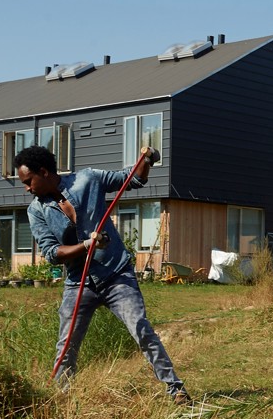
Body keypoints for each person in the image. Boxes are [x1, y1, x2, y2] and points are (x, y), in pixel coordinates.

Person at [15, 144, 191, 405]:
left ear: (43, 172)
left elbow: (133, 179)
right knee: (66, 347)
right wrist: (87, 245)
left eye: (28, 181)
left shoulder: (87, 179)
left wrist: (149, 157)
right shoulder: (36, 210)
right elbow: (52, 252)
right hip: (79, 283)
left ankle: (175, 390)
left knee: (141, 329)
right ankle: (61, 401)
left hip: (115, 273)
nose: (27, 188)